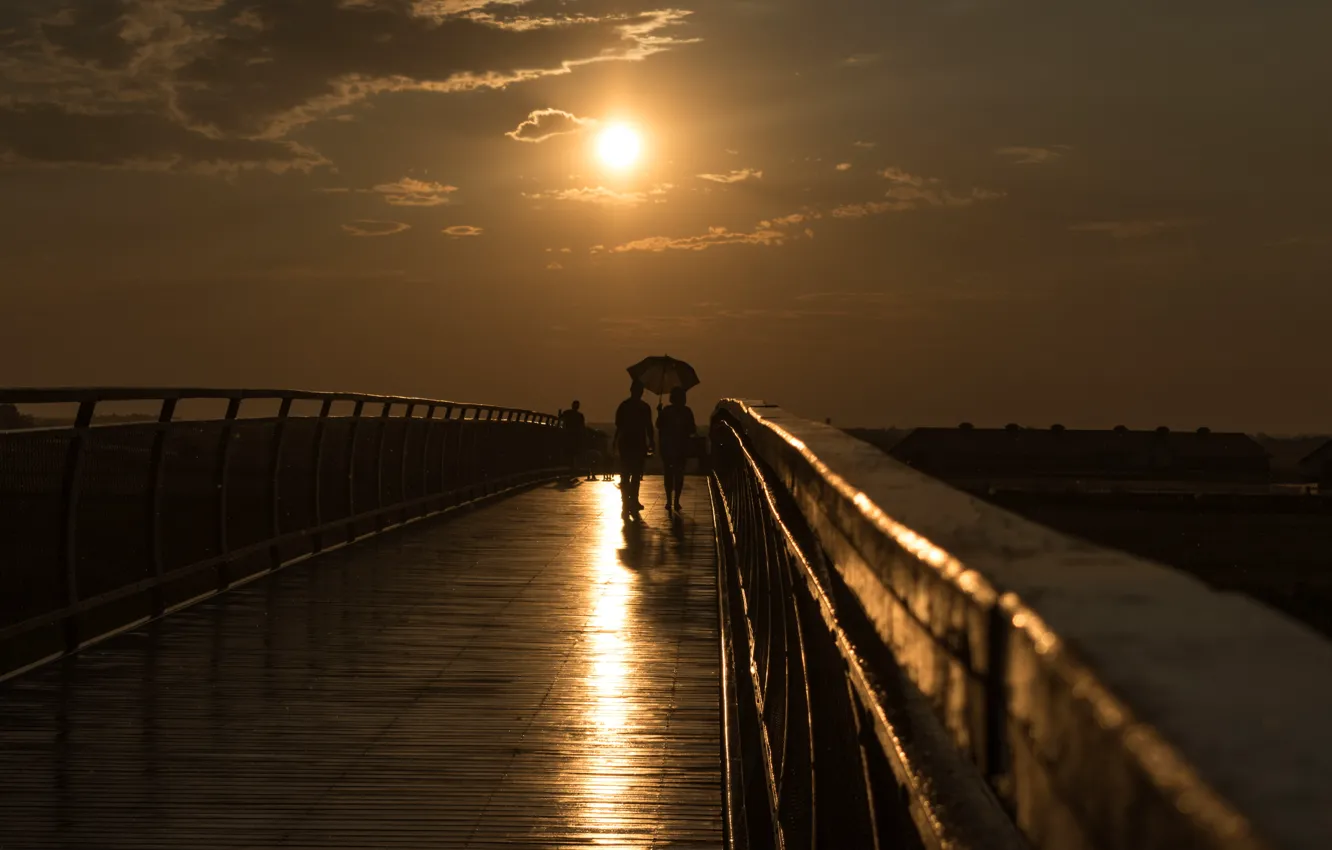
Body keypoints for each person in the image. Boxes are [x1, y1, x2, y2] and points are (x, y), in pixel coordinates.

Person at [613, 381, 654, 515]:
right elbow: (649, 426)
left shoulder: (624, 406)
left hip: (625, 442)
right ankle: (633, 500)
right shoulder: (645, 407)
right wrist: (652, 441)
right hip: (638, 443)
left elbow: (618, 425)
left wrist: (615, 441)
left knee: (625, 473)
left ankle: (625, 502)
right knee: (636, 474)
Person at [656, 387, 697, 512]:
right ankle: (676, 500)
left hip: (668, 447)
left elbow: (659, 425)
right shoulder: (687, 412)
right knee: (679, 474)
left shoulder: (667, 411)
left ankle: (669, 500)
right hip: (681, 447)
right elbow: (692, 429)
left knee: (669, 474)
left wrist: (659, 412)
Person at [558, 400, 585, 477]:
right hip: (575, 436)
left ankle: (570, 467)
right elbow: (582, 427)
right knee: (574, 453)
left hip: (568, 435)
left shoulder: (567, 413)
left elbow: (560, 418)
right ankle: (573, 468)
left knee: (569, 452)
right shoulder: (580, 415)